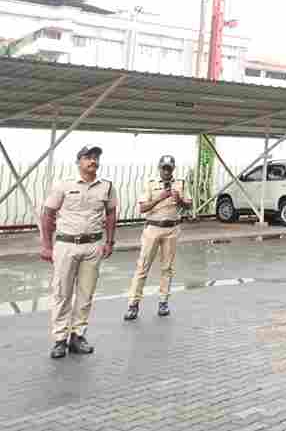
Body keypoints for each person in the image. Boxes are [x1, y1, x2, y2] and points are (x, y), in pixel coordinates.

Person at [39, 144, 117, 359]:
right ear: (78, 161)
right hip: (66, 245)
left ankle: (77, 336)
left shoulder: (107, 187)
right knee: (62, 293)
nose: (93, 161)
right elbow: (47, 214)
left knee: (85, 293)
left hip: (93, 246)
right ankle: (59, 339)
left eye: (96, 157)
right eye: (88, 157)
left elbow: (111, 214)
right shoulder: (64, 185)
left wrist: (110, 242)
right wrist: (46, 246)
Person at [124, 155, 190, 320]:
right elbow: (142, 208)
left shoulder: (180, 183)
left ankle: (163, 302)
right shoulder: (150, 184)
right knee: (143, 267)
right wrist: (159, 198)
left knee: (167, 268)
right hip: (153, 228)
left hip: (172, 229)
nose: (166, 171)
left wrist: (179, 200)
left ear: (173, 169)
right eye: (164, 168)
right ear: (159, 168)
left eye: (169, 168)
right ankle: (133, 304)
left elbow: (189, 205)